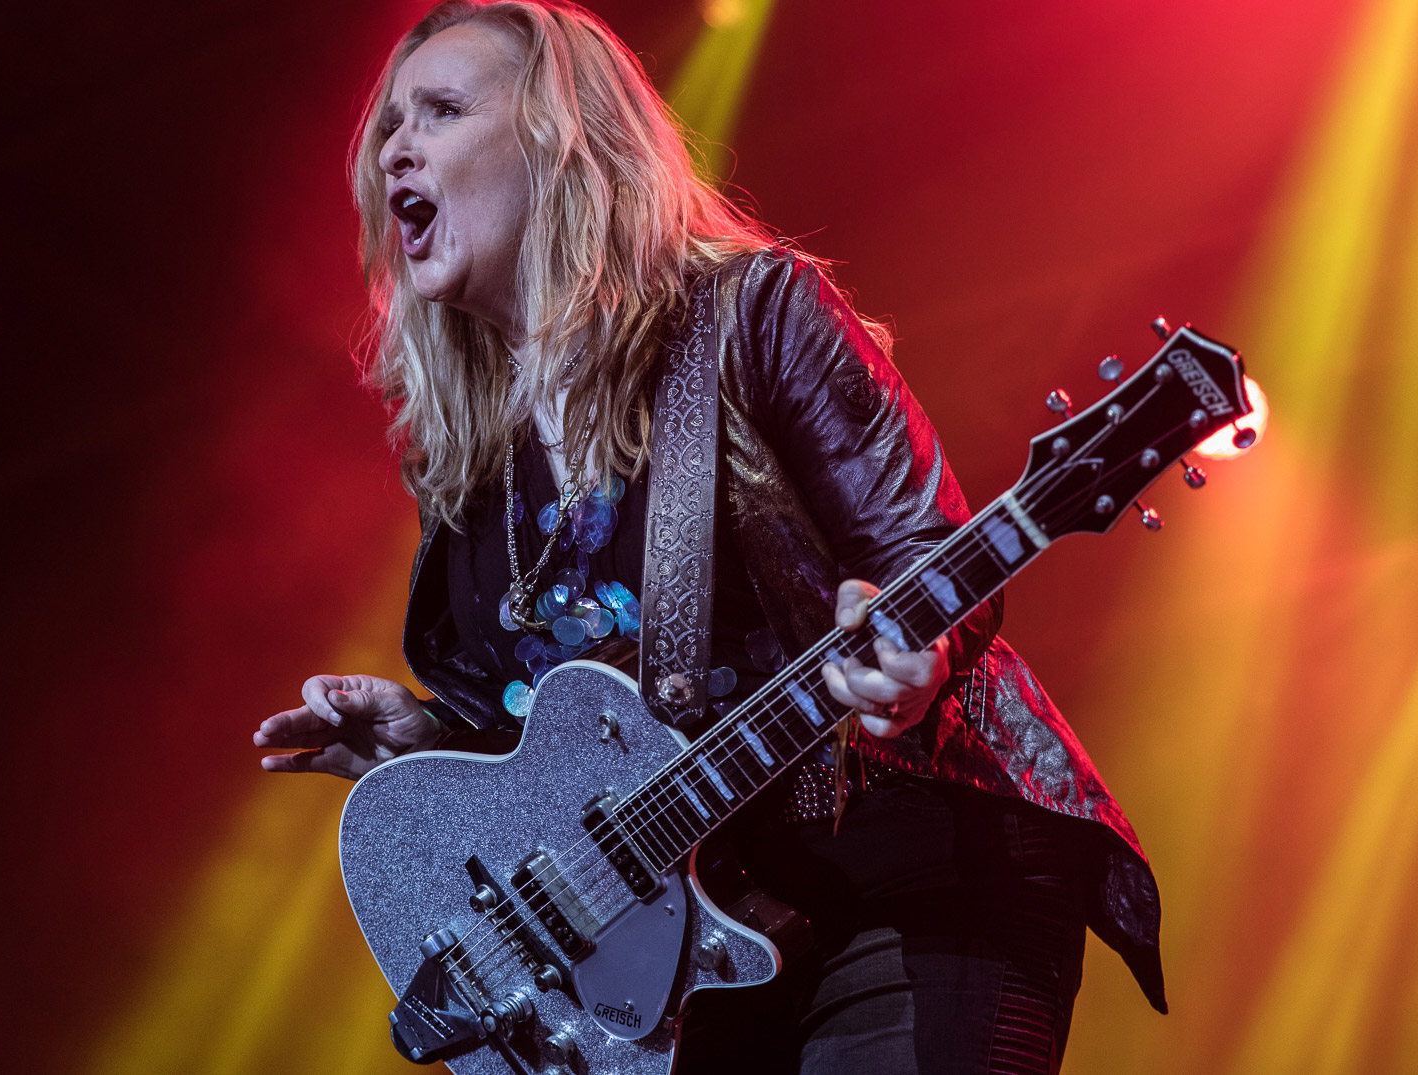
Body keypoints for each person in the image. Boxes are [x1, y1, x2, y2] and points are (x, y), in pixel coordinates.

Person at [253, 3, 1165, 1071]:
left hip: (910, 875)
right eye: (388, 127)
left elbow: (923, 547)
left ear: (562, 142)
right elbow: (565, 734)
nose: (392, 148)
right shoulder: (473, 459)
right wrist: (423, 738)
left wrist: (914, 661)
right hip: (708, 933)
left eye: (440, 111)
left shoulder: (751, 314)